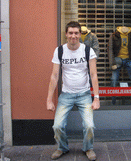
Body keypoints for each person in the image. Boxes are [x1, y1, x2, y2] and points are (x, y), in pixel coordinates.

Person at [46, 21, 100, 160]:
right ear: (66, 34)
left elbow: (93, 75)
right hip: (66, 95)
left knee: (89, 126)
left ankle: (88, 148)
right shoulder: (60, 51)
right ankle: (62, 147)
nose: (73, 36)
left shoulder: (88, 50)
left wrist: (96, 98)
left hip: (84, 94)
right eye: (70, 33)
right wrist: (49, 100)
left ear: (80, 34)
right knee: (57, 126)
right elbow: (54, 75)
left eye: (76, 33)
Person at [108, 26, 131, 105]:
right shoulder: (114, 35)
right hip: (118, 59)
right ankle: (113, 102)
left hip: (129, 59)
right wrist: (112, 64)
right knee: (114, 80)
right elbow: (110, 50)